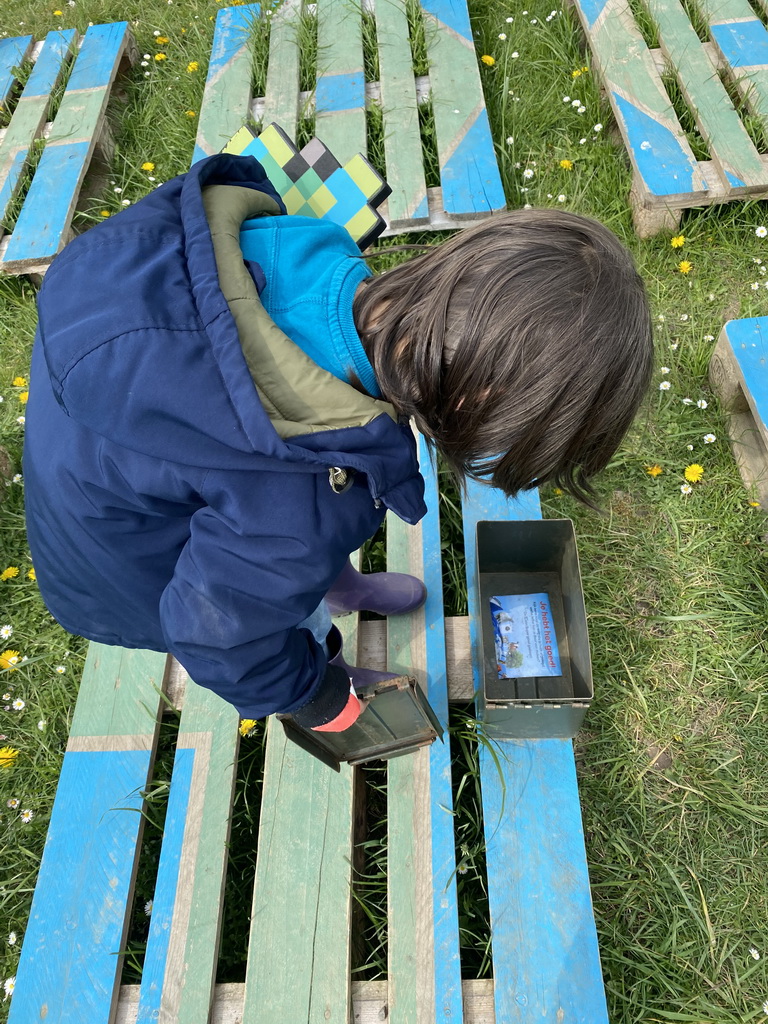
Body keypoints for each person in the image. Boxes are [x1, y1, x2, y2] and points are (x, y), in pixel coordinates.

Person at [22, 152, 653, 732]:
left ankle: (332, 583)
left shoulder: (305, 248)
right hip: (126, 569)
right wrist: (314, 698)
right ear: (473, 403)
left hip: (96, 464)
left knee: (283, 553)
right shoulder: (301, 494)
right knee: (282, 610)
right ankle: (323, 641)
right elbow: (216, 632)